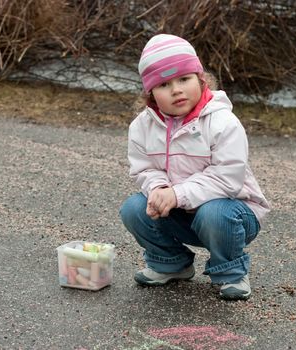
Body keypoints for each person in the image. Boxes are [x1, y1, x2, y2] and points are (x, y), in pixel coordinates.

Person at [119, 34, 270, 300]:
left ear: (201, 80)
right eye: (164, 84)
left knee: (214, 213)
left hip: (232, 214)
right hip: (182, 213)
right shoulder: (141, 127)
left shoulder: (223, 122)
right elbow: (144, 169)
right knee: (134, 208)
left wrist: (176, 194)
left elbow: (227, 179)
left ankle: (231, 272)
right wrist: (159, 188)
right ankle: (171, 263)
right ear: (151, 93)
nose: (176, 89)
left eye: (184, 79)